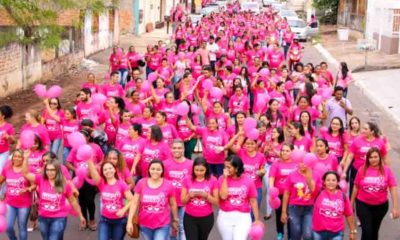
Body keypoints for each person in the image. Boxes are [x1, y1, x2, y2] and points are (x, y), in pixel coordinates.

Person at [22, 155, 85, 240]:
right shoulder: (41, 179)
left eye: (52, 170)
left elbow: (73, 201)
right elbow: (25, 174)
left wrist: (81, 216)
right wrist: (25, 158)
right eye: (47, 170)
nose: (49, 172)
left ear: (57, 171)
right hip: (43, 217)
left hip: (59, 218)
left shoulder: (64, 184)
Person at [350, 148, 399, 240]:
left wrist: (395, 207)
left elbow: (393, 188)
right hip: (363, 205)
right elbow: (356, 187)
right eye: (371, 157)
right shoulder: (362, 169)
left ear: (380, 157)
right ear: (367, 159)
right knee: (367, 231)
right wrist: (351, 203)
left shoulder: (386, 170)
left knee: (374, 231)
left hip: (381, 207)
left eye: (375, 157)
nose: (373, 159)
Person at [126, 159, 179, 240]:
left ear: (162, 171)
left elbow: (173, 204)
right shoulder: (141, 183)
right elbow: (134, 203)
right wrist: (129, 221)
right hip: (144, 224)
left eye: (158, 169)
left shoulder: (168, 185)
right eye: (153, 169)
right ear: (148, 170)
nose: (155, 171)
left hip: (163, 224)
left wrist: (175, 220)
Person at [217, 155, 263, 240]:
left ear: (237, 168)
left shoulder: (248, 180)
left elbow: (253, 201)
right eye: (225, 167)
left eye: (229, 167)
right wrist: (225, 179)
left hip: (243, 217)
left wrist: (257, 219)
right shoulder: (221, 179)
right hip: (225, 217)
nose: (225, 169)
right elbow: (223, 196)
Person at [87, 158, 134, 240]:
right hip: (104, 220)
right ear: (103, 173)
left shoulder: (121, 184)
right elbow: (93, 172)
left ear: (115, 170)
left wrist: (123, 210)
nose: (108, 171)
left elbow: (132, 200)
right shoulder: (101, 183)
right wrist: (88, 159)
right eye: (105, 169)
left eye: (110, 168)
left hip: (120, 221)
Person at [281, 154, 318, 240]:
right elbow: (286, 194)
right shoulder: (291, 175)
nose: (303, 165)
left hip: (309, 208)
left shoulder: (316, 175)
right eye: (301, 162)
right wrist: (283, 212)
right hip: (294, 208)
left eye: (305, 163)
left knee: (308, 235)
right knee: (295, 234)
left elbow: (316, 192)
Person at [181, 157, 218, 240]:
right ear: (193, 169)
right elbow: (183, 200)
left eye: (202, 170)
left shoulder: (213, 180)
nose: (199, 173)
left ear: (206, 169)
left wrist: (207, 196)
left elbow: (216, 202)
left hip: (206, 217)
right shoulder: (187, 179)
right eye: (196, 170)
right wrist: (189, 196)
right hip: (190, 217)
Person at [312, 171, 356, 240]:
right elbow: (310, 182)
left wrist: (352, 231)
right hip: (318, 232)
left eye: (333, 180)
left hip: (337, 233)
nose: (331, 182)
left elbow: (349, 214)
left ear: (337, 182)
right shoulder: (318, 192)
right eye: (328, 180)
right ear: (324, 182)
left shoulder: (343, 196)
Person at [0, 149, 33, 240]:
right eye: (15, 156)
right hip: (10, 203)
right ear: (12, 158)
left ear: (23, 158)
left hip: (24, 205)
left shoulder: (28, 169)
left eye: (19, 157)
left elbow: (34, 185)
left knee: (22, 227)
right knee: (8, 227)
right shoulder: (7, 169)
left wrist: (28, 189)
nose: (17, 158)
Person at [164, 140, 193, 240]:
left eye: (179, 148)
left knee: (182, 227)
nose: (177, 150)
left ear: (184, 149)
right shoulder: (165, 164)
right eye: (174, 148)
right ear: (171, 149)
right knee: (169, 228)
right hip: (168, 202)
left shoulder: (191, 164)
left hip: (184, 202)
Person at [269, 143, 297, 240]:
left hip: (293, 195)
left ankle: (290, 235)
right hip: (279, 194)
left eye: (287, 151)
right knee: (279, 214)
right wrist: (271, 191)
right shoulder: (276, 164)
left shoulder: (296, 164)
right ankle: (280, 232)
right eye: (283, 150)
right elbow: (271, 178)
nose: (284, 152)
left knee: (291, 216)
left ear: (292, 152)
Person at [0, 105, 15, 172]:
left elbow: (13, 141)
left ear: (3, 116)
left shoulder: (8, 127)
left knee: (1, 171)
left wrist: (8, 137)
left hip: (3, 153)